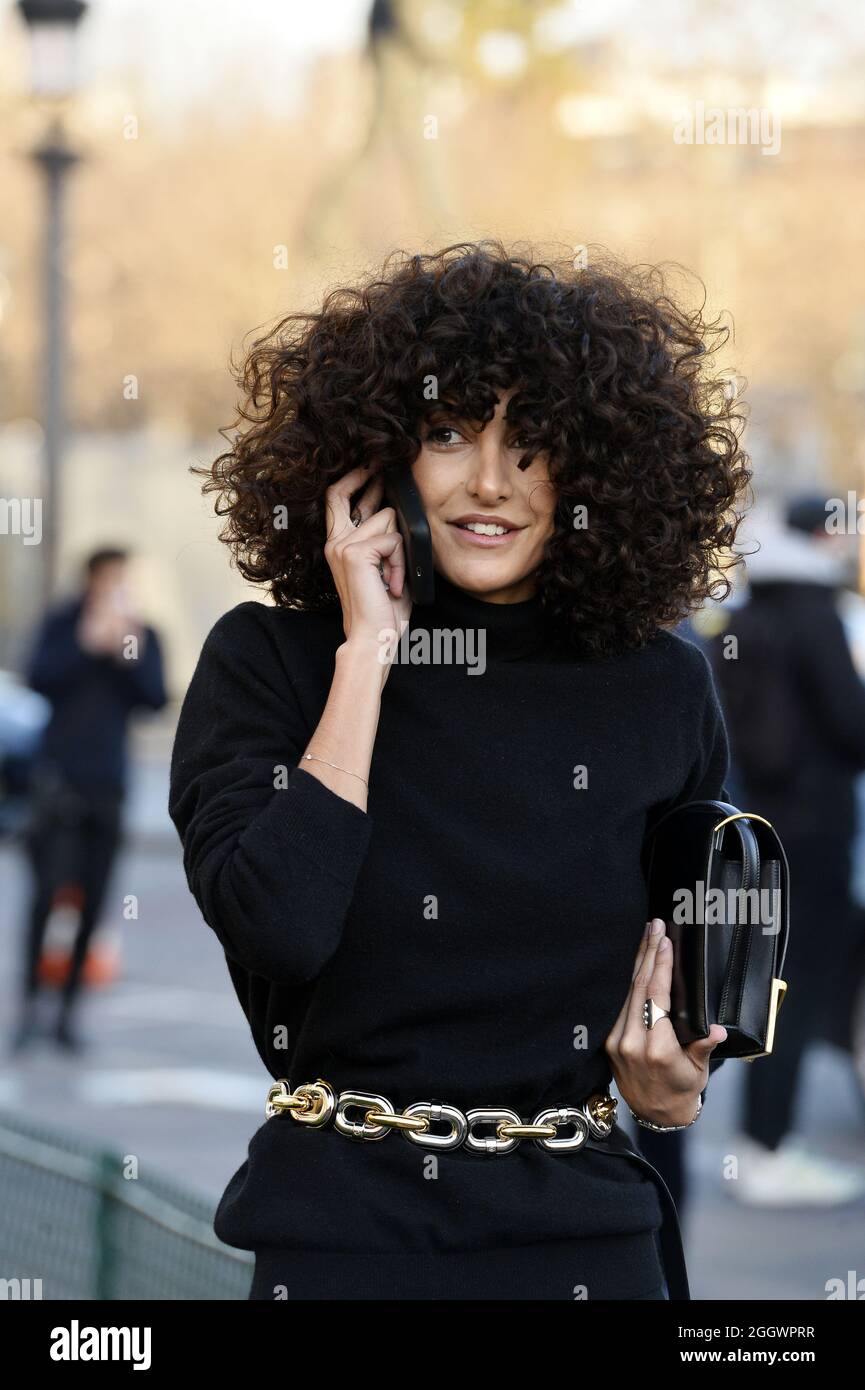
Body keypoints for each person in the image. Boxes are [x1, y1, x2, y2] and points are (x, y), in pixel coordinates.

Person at [169, 241, 748, 1301]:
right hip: (344, 1242)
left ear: (599, 468)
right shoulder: (272, 662)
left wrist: (677, 1086)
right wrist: (367, 655)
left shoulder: (661, 684)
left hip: (586, 1242)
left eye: (531, 443)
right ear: (372, 459)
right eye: (447, 434)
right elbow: (281, 925)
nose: (490, 481)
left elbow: (691, 1011)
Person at [708, 496, 865, 1205]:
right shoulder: (814, 614)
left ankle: (758, 1143)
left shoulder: (747, 613)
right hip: (817, 831)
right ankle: (769, 1148)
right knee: (799, 993)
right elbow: (850, 722)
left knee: (765, 988)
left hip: (761, 833)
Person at [11, 546, 167, 1052]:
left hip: (109, 784)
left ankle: (68, 1013)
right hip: (58, 783)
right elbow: (38, 678)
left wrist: (126, 648)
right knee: (45, 895)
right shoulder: (62, 623)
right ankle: (30, 1005)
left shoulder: (141, 633)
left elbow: (154, 698)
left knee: (95, 900)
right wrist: (86, 644)